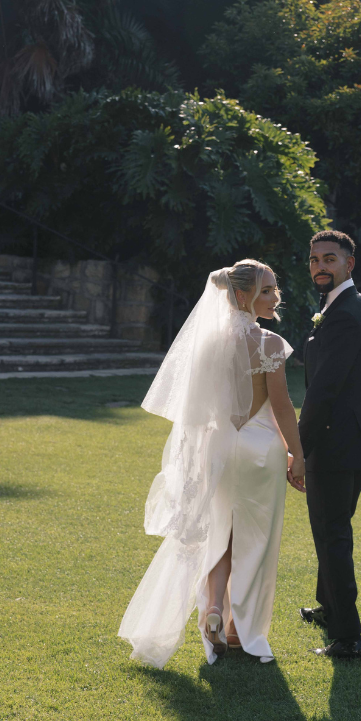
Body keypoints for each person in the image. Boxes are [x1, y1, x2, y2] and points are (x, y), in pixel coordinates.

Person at [119, 260, 305, 668]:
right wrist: (299, 456)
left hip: (218, 448)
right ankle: (243, 632)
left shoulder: (207, 342)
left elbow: (197, 411)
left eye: (274, 289)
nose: (276, 297)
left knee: (218, 535)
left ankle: (214, 611)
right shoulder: (269, 344)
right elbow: (282, 406)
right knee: (255, 539)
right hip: (260, 451)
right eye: (267, 290)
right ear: (243, 296)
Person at [297, 231, 361, 660]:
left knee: (332, 534)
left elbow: (325, 390)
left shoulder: (344, 313)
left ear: (349, 264)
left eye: (330, 259)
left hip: (334, 445)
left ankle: (348, 637)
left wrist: (298, 450)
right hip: (352, 444)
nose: (320, 266)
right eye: (314, 259)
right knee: (333, 529)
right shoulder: (355, 306)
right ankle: (329, 608)